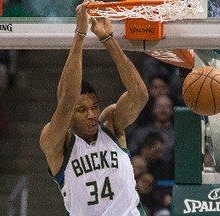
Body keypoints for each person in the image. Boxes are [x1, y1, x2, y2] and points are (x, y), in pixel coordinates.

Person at [39, 0, 149, 215]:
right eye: (82, 110)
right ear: (69, 114)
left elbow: (139, 94)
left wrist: (108, 39)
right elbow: (68, 97)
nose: (91, 114)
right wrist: (80, 34)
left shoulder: (111, 124)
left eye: (94, 107)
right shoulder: (57, 142)